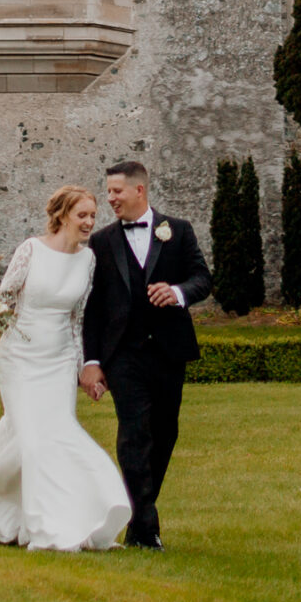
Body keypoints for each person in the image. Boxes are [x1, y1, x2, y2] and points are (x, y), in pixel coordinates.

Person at [0, 184, 133, 551]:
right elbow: (3, 299)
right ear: (62, 215)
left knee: (54, 433)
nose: (90, 222)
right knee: (33, 442)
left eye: (93, 215)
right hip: (20, 357)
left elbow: (77, 319)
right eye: (82, 215)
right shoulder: (31, 250)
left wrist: (83, 370)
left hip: (60, 359)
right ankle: (45, 528)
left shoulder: (88, 260)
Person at [80, 160, 213, 551]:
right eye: (108, 192)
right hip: (124, 355)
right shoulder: (102, 242)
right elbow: (95, 307)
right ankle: (147, 525)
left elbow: (203, 279)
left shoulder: (179, 231)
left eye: (116, 191)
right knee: (133, 434)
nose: (110, 199)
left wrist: (177, 292)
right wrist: (92, 361)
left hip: (170, 352)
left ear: (140, 191)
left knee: (165, 433)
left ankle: (140, 520)